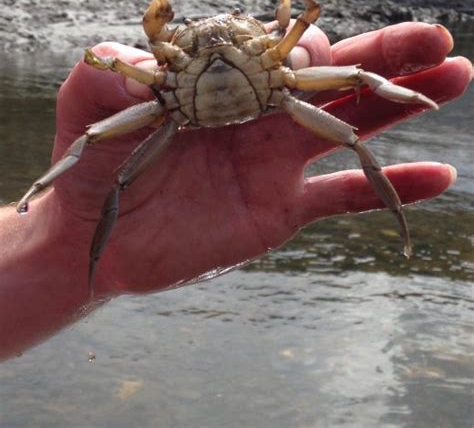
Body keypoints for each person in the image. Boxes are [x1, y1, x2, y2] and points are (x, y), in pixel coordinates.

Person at [0, 20, 471, 362]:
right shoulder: (168, 74)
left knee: (353, 117)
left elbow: (340, 64)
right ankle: (50, 200)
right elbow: (108, 111)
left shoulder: (277, 62)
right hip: (177, 120)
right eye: (196, 36)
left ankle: (401, 211)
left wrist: (298, 29)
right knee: (105, 155)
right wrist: (66, 234)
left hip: (262, 98)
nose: (215, 41)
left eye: (232, 33)